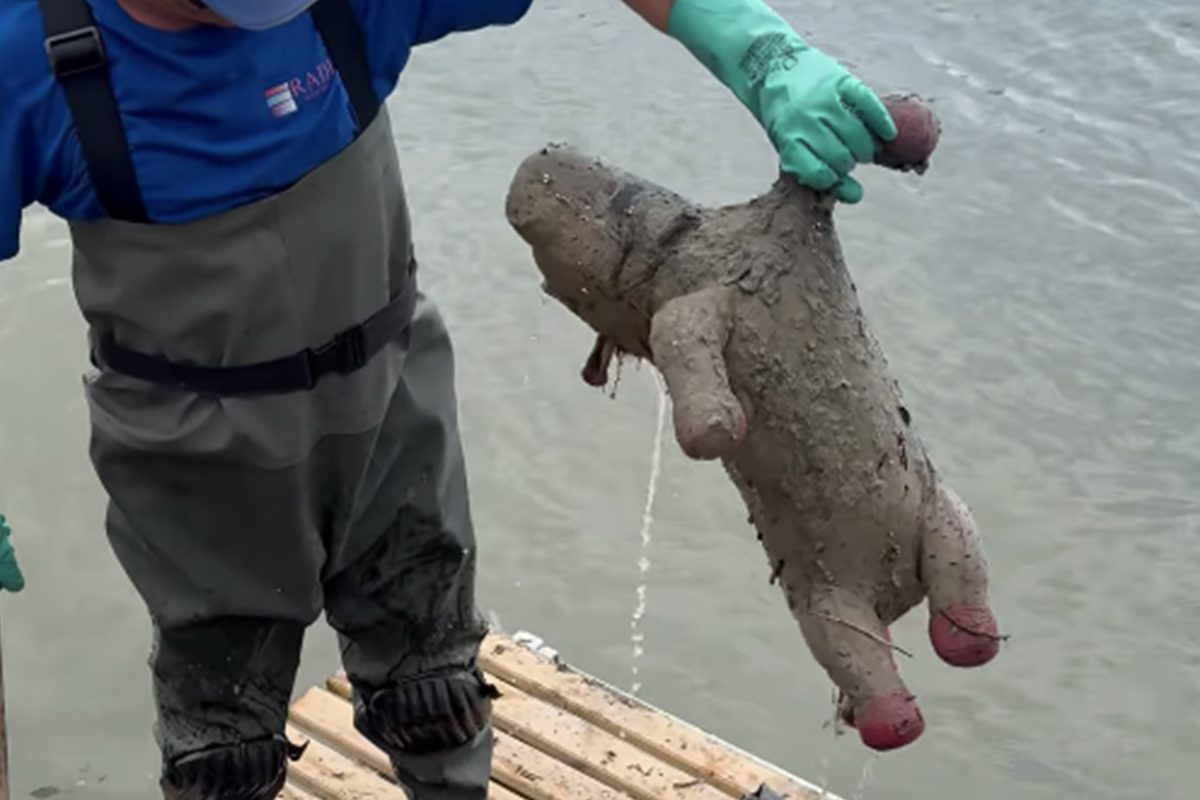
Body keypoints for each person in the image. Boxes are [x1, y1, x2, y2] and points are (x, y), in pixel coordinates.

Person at [0, 0, 899, 798]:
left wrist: (757, 47)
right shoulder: (28, 56)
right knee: (220, 755)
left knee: (435, 686)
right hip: (196, 463)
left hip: (391, 411)